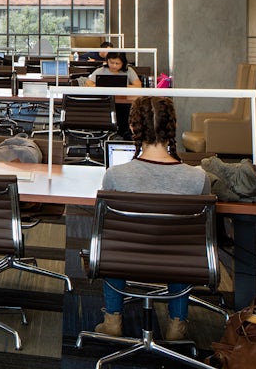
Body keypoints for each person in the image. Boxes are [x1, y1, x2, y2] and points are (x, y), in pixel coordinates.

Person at [92, 97, 209, 344]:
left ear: (134, 128)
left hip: (126, 260)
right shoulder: (198, 179)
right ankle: (177, 324)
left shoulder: (115, 176)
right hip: (179, 263)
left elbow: (106, 230)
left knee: (112, 240)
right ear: (172, 129)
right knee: (181, 243)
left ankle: (113, 319)